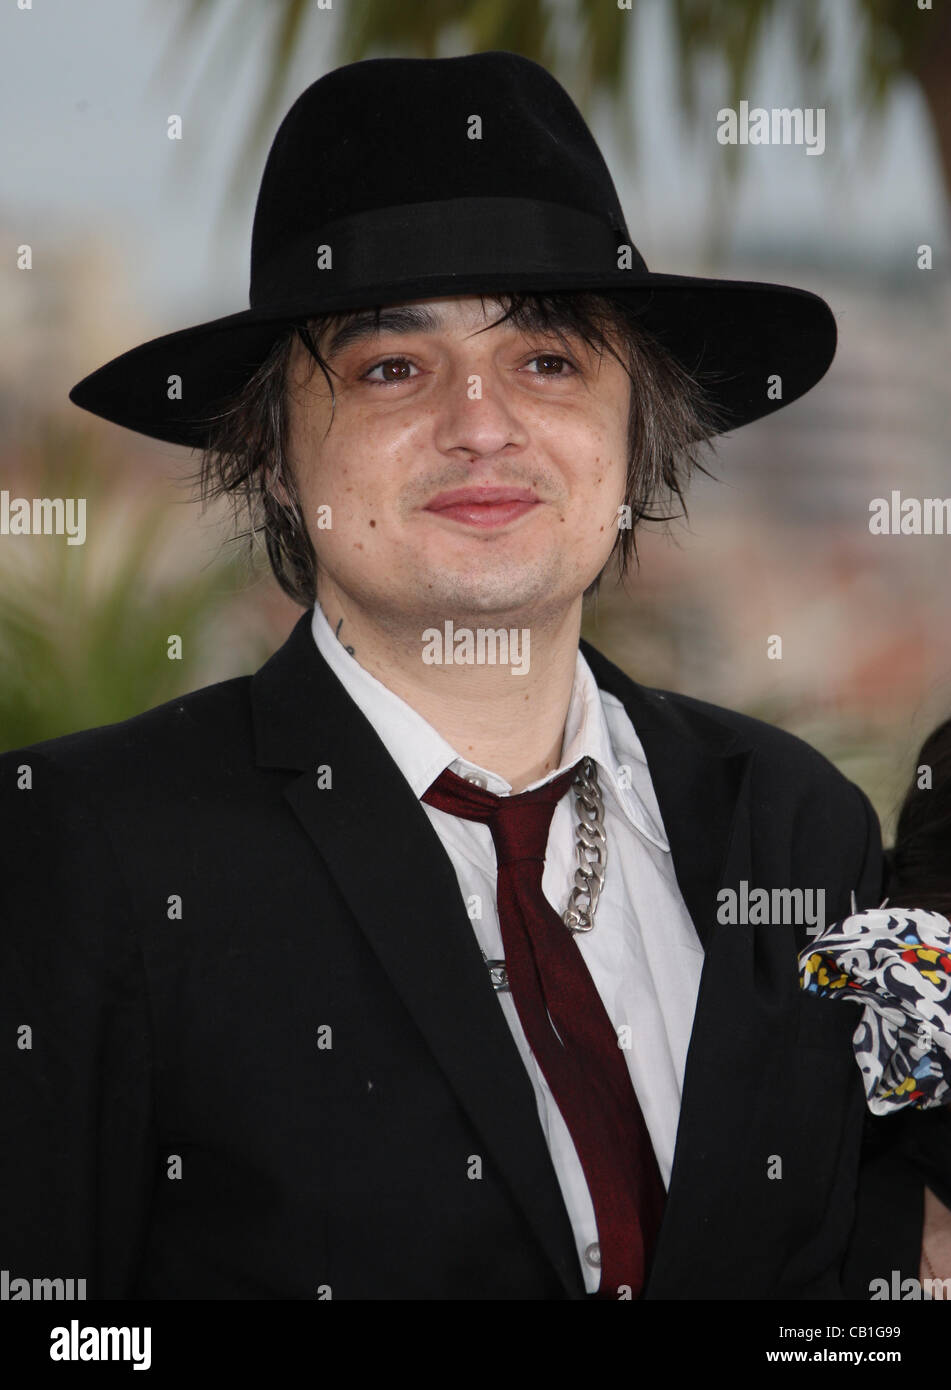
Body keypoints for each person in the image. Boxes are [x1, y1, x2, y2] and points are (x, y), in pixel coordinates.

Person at [0, 51, 938, 1300]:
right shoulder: (80, 847)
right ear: (275, 455)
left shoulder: (798, 822)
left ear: (632, 429)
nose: (482, 421)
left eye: (549, 360)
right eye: (393, 366)